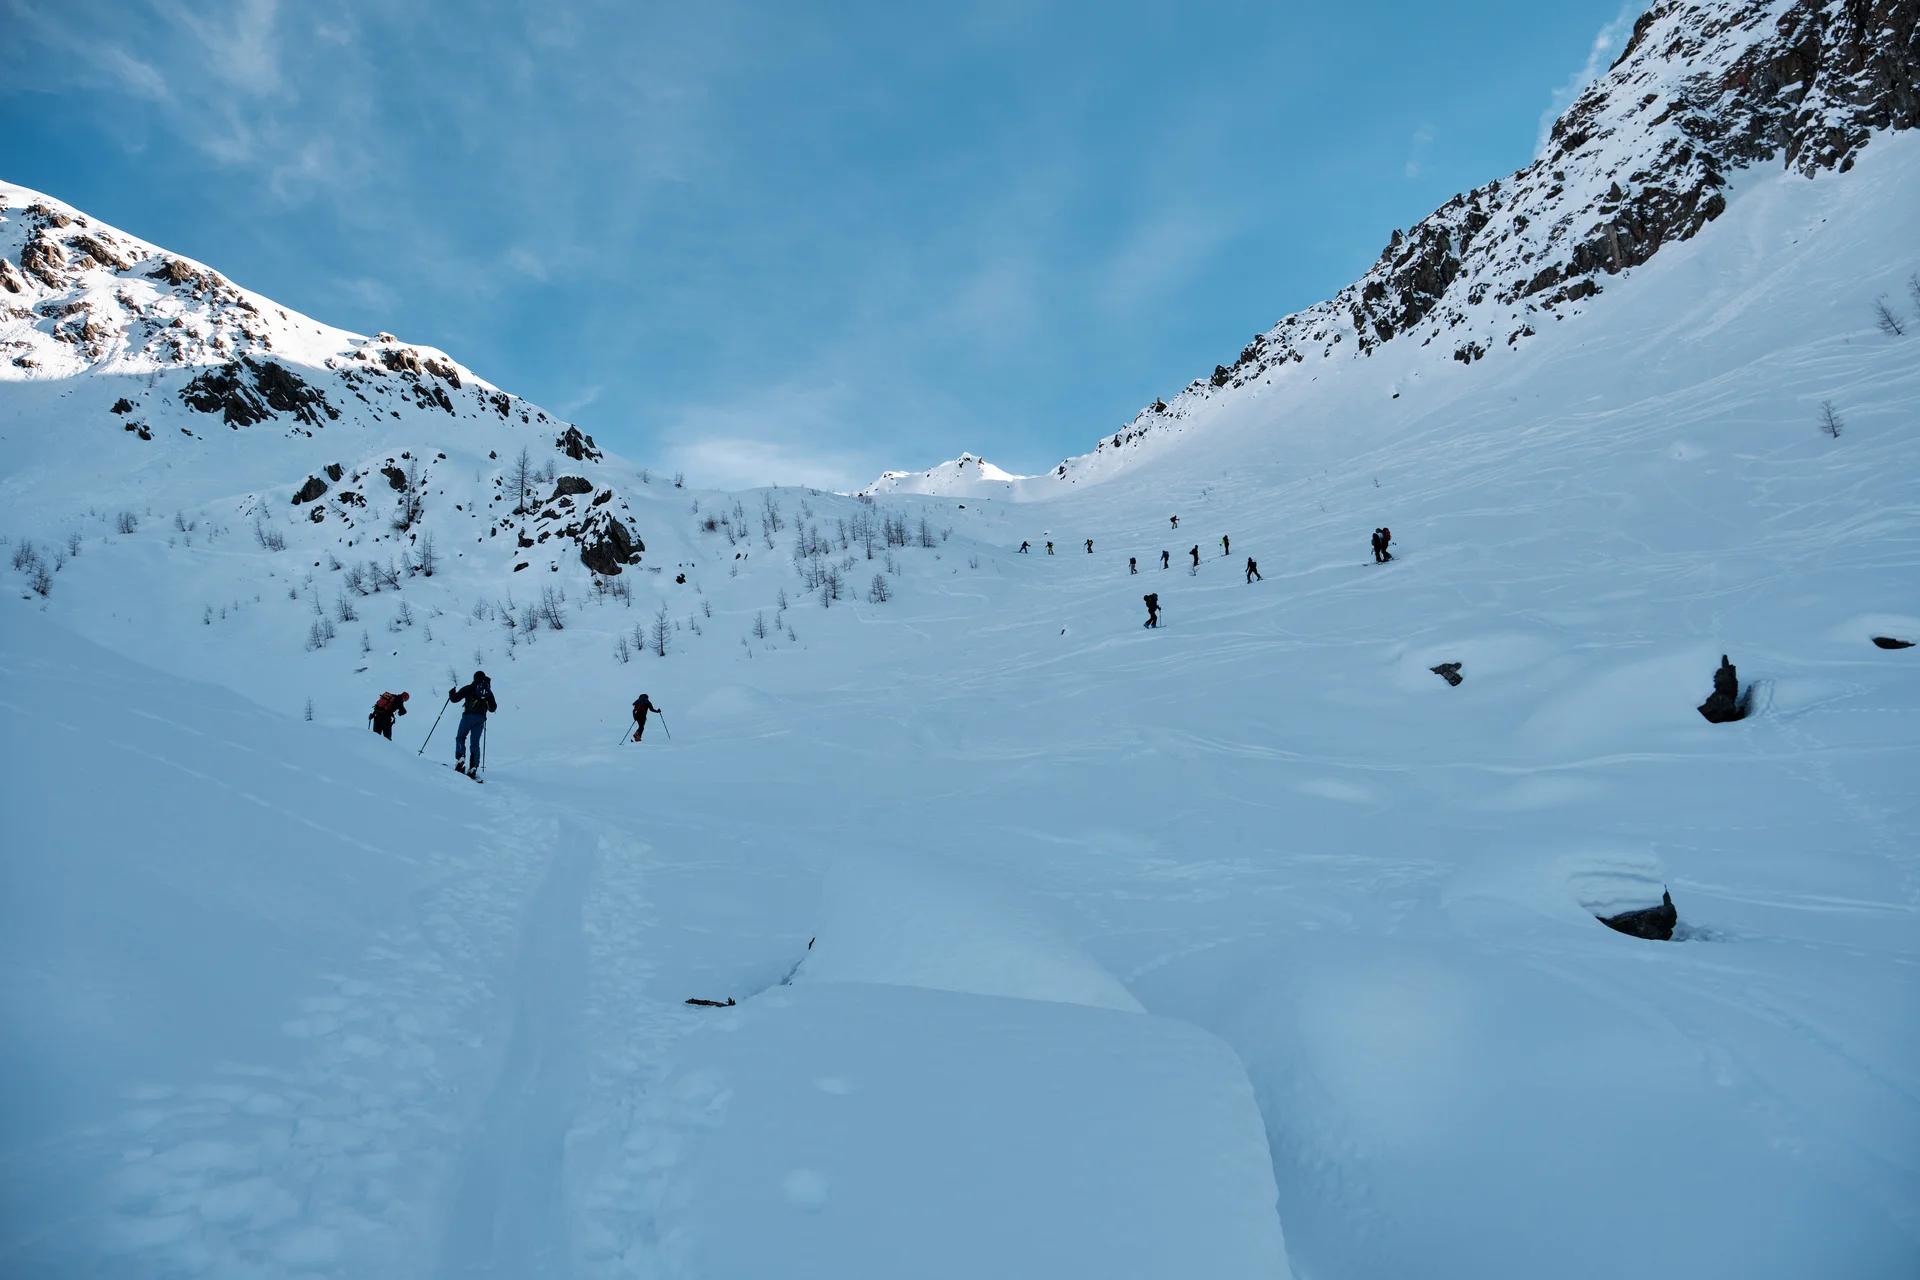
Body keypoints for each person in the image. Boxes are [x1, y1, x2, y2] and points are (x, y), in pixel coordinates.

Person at [447, 671, 496, 777]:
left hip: (468, 717)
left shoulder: (469, 688)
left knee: (460, 737)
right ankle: (474, 766)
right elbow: (493, 708)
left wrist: (451, 693)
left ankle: (461, 757)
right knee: (475, 743)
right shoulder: (488, 691)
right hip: (480, 720)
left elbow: (454, 699)